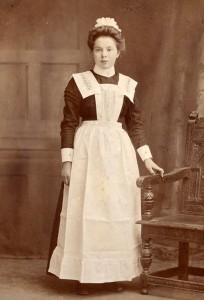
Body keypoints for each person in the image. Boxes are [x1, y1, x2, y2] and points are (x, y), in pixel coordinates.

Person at [47, 17, 164, 295]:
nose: (104, 55)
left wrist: (147, 159)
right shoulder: (78, 82)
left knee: (116, 212)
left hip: (118, 155)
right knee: (88, 212)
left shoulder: (128, 85)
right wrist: (67, 160)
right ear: (91, 52)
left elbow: (134, 124)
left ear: (118, 51)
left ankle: (115, 274)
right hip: (88, 153)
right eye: (98, 49)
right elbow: (68, 123)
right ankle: (85, 277)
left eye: (109, 49)